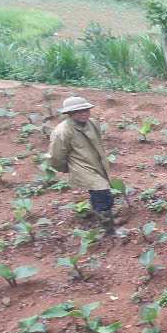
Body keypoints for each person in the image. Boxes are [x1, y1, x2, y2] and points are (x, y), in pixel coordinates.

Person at [47, 96, 123, 237]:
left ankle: (105, 220)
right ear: (69, 113)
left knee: (100, 195)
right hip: (82, 168)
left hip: (98, 165)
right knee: (102, 195)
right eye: (78, 111)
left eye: (86, 110)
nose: (83, 113)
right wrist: (68, 169)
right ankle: (109, 231)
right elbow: (55, 157)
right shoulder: (63, 131)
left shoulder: (92, 123)